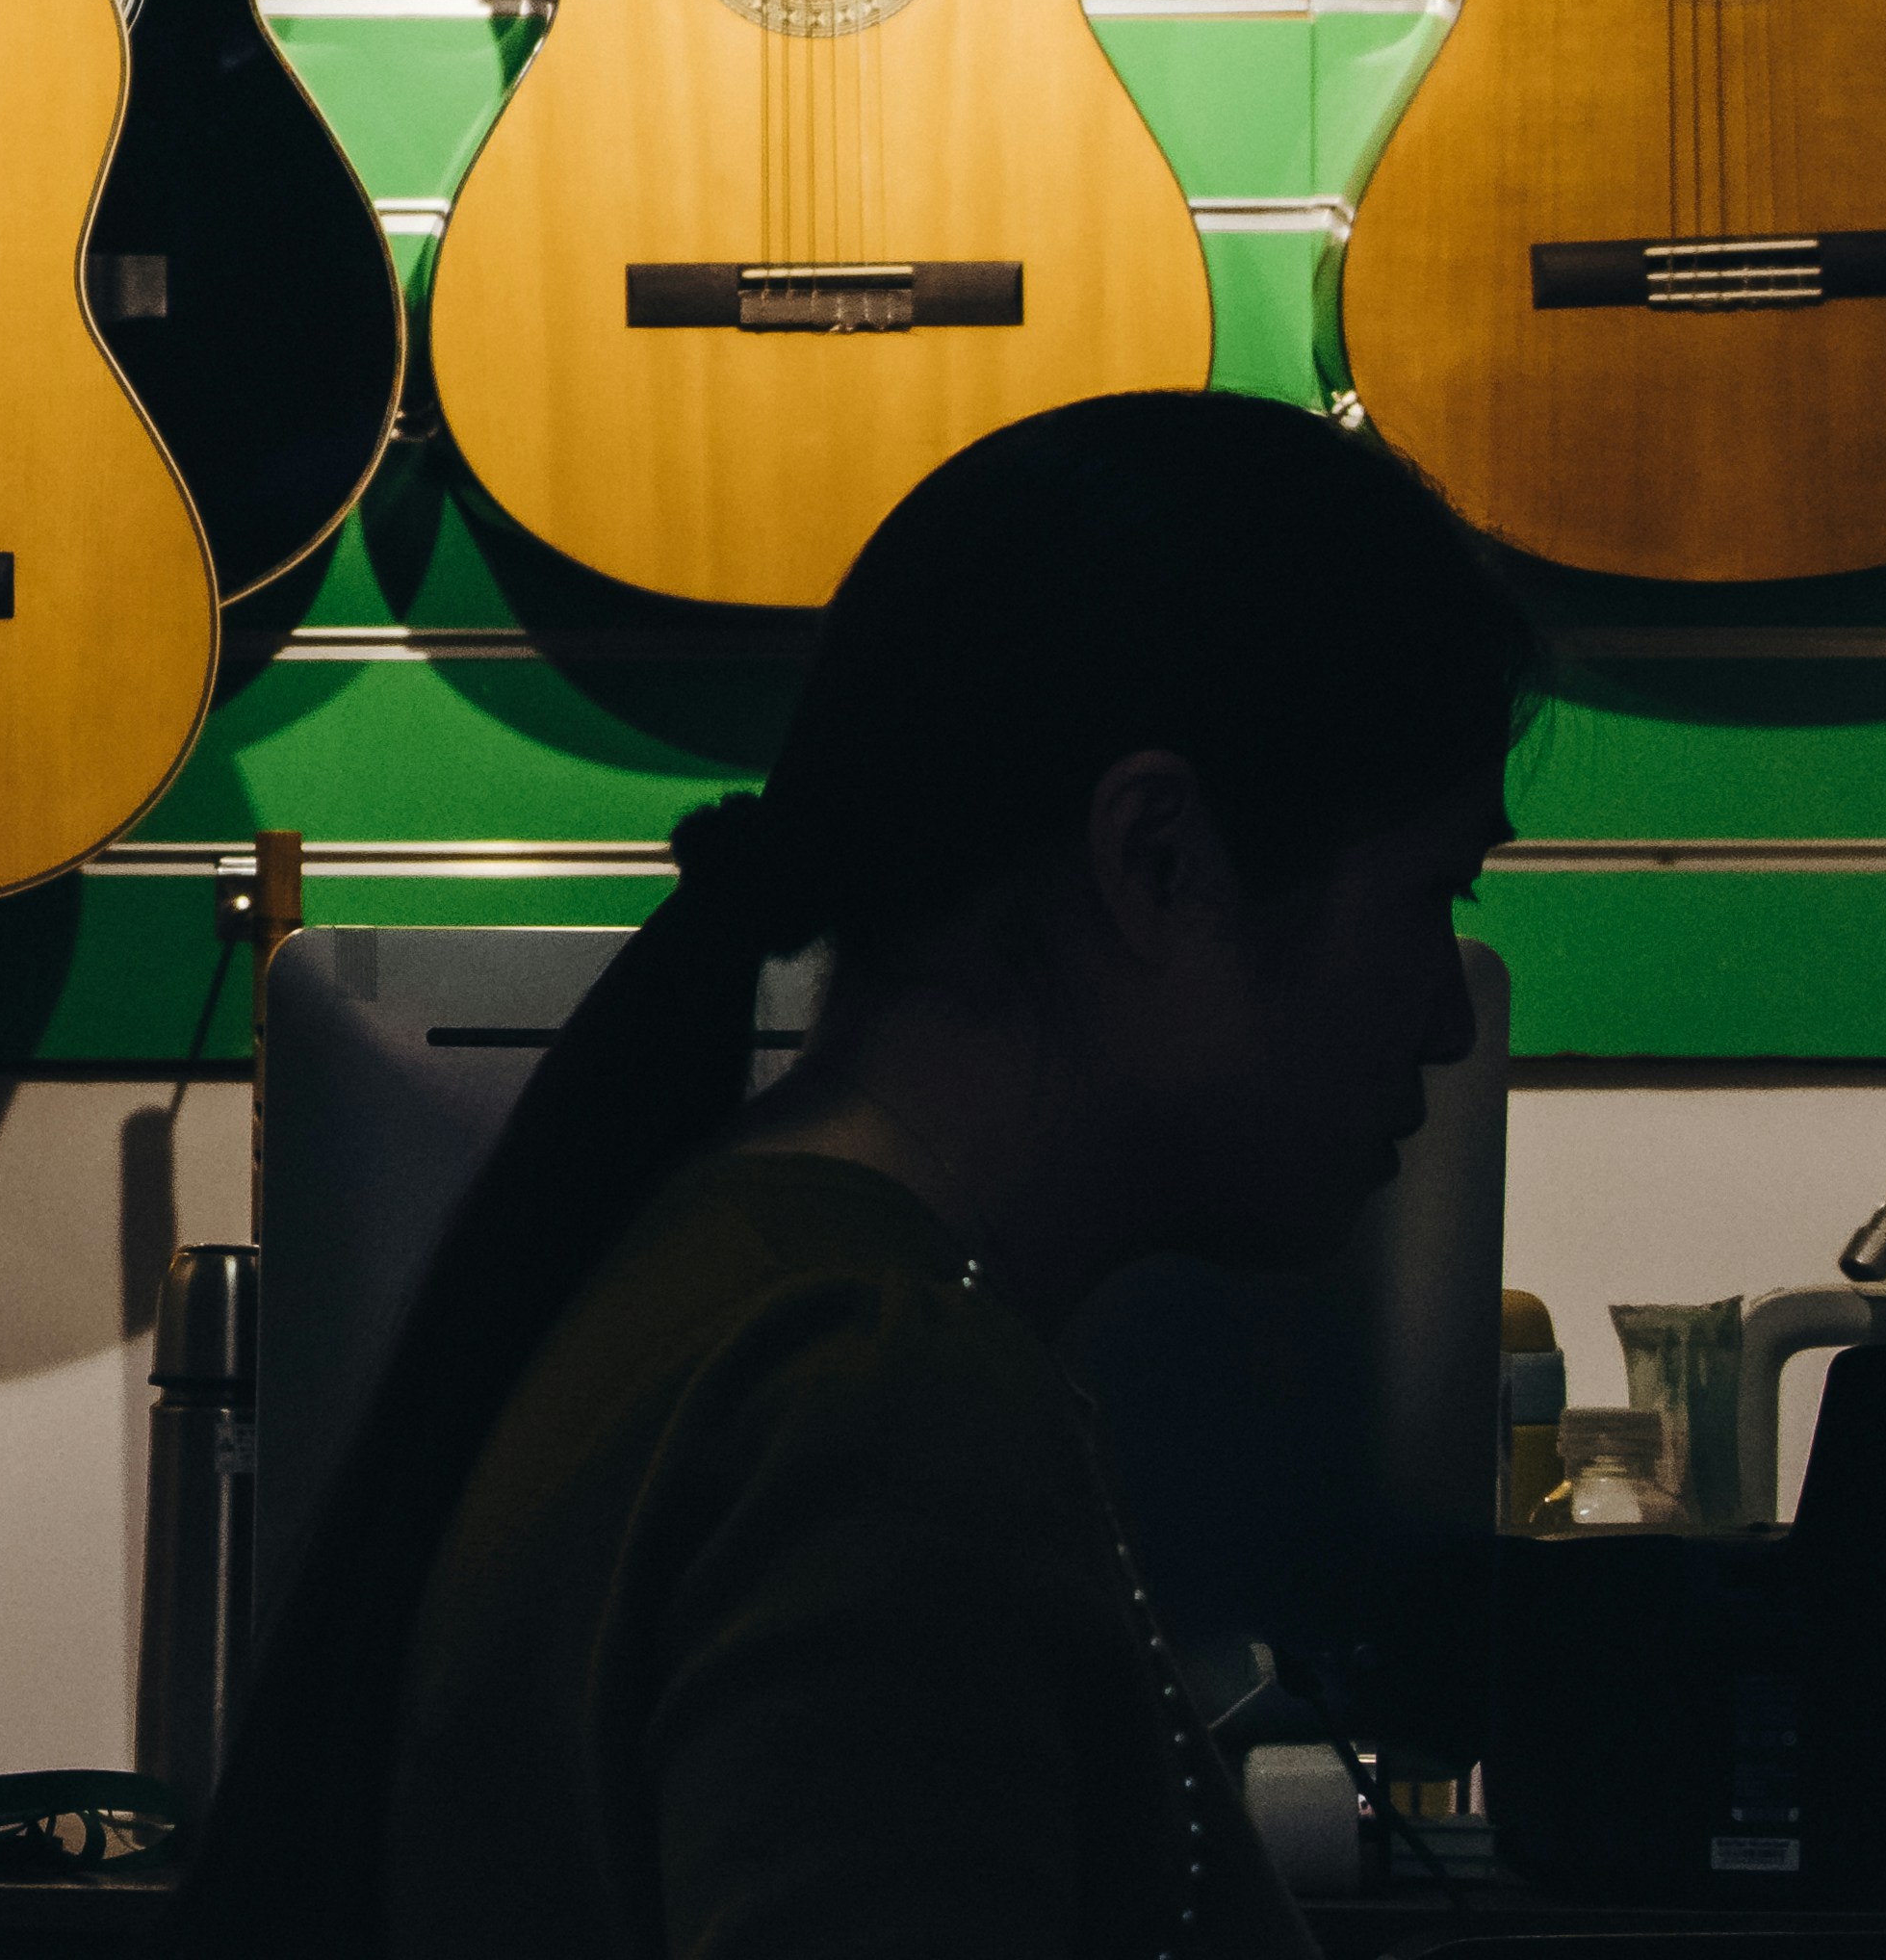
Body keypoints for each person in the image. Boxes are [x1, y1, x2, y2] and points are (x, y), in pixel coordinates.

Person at [177, 389, 1532, 1960]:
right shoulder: (880, 1399)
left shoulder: (767, 1301)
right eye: (1430, 892)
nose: (1447, 1015)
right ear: (1160, 861)